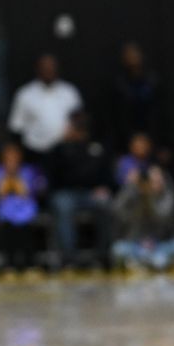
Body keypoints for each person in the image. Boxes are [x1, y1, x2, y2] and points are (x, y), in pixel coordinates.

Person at [46, 112, 114, 267]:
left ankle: (103, 256)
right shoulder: (60, 149)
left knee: (105, 202)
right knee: (63, 206)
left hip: (91, 192)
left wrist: (103, 187)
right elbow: (53, 176)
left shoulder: (96, 147)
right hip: (66, 193)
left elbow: (105, 174)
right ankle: (69, 258)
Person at [112, 158, 174, 271]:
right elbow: (117, 209)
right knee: (117, 249)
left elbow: (162, 216)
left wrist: (150, 197)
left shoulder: (168, 196)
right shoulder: (135, 193)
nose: (155, 183)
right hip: (136, 244)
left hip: (161, 244)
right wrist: (129, 187)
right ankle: (149, 262)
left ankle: (144, 262)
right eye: (152, 179)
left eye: (158, 179)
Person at [0, 140, 48, 273]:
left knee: (26, 227)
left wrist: (16, 181)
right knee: (7, 227)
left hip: (25, 207)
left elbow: (26, 192)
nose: (11, 160)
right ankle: (9, 264)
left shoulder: (28, 170)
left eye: (14, 156)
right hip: (5, 208)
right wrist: (8, 179)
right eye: (8, 157)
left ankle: (29, 263)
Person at [7, 54, 82, 161]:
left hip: (64, 154)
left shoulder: (69, 92)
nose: (48, 70)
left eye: (51, 67)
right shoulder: (25, 94)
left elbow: (80, 124)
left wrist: (74, 132)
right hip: (34, 153)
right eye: (45, 67)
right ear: (37, 69)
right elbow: (16, 127)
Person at [106, 41, 167, 153]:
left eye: (135, 55)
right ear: (123, 59)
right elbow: (116, 117)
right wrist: (131, 140)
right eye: (128, 56)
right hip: (125, 142)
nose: (133, 59)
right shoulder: (118, 84)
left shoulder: (153, 82)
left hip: (151, 140)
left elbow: (160, 114)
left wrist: (156, 141)